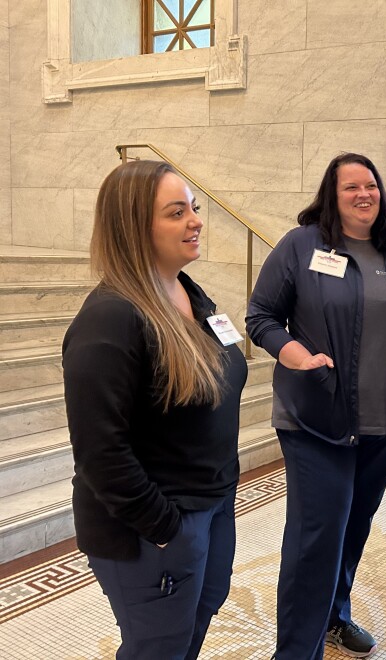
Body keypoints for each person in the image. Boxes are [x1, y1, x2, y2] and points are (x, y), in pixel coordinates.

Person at [246, 153, 386, 659]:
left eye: (370, 185)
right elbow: (261, 315)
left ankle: (335, 617)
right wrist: (296, 355)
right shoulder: (301, 246)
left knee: (355, 522)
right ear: (331, 197)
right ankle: (294, 651)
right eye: (350, 186)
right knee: (316, 538)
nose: (363, 194)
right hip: (316, 419)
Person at [63, 160, 248, 659]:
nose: (196, 220)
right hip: (152, 527)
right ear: (133, 228)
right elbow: (101, 454)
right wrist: (167, 529)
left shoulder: (189, 294)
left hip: (209, 506)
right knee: (158, 647)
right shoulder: (110, 319)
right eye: (176, 212)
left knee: (190, 630)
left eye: (193, 207)